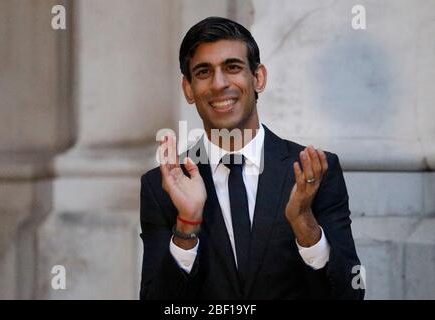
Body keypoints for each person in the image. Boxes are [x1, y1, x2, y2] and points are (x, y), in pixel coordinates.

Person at [139, 16, 364, 300]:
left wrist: (304, 225)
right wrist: (186, 225)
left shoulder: (317, 171)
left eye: (232, 67)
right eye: (204, 72)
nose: (219, 84)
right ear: (188, 89)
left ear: (258, 77)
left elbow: (349, 295)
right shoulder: (162, 185)